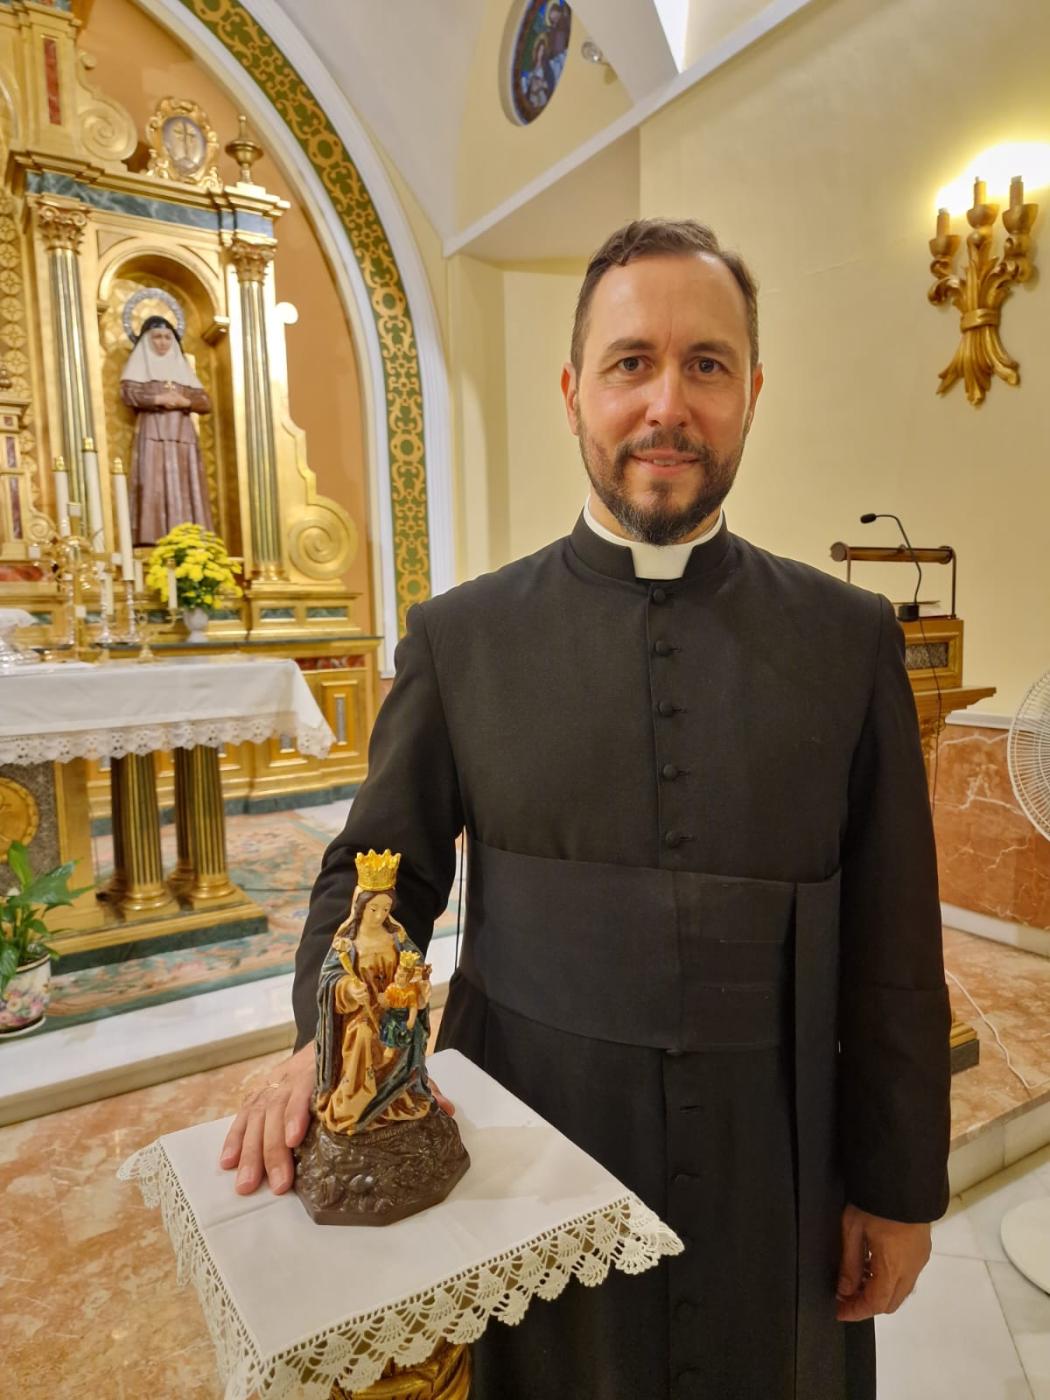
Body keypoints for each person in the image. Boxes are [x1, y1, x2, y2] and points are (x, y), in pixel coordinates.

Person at [221, 219, 951, 1400]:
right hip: (532, 1139)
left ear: (753, 390)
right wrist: (323, 1035)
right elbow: (378, 873)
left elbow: (893, 936)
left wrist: (902, 1180)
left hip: (778, 1158)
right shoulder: (461, 639)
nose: (669, 402)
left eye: (707, 364)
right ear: (574, 392)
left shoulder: (848, 638)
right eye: (631, 363)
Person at [314, 888, 431, 1134]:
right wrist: (348, 989)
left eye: (386, 909)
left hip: (394, 1009)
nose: (379, 916)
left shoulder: (397, 937)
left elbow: (416, 967)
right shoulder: (346, 945)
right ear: (359, 907)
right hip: (361, 1014)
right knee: (363, 1036)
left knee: (411, 1033)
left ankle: (398, 1098)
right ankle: (356, 1102)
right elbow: (330, 979)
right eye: (373, 909)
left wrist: (419, 985)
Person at [120, 314, 213, 544]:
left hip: (183, 435)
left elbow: (205, 401)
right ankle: (153, 537)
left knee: (184, 479)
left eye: (167, 337)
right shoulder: (139, 366)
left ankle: (190, 536)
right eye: (157, 337)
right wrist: (157, 398)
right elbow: (128, 393)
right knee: (154, 479)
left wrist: (186, 402)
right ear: (147, 340)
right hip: (153, 431)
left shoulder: (181, 367)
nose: (162, 342)